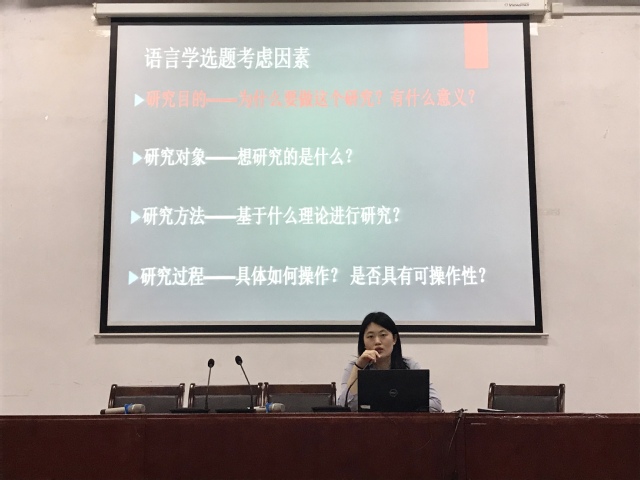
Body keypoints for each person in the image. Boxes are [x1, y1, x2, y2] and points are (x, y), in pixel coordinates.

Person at [337, 312, 442, 412]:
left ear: (394, 339)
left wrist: (390, 407)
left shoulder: (409, 366)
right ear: (363, 342)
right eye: (370, 336)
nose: (377, 341)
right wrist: (359, 366)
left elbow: (435, 404)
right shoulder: (353, 367)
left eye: (383, 335)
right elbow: (343, 406)